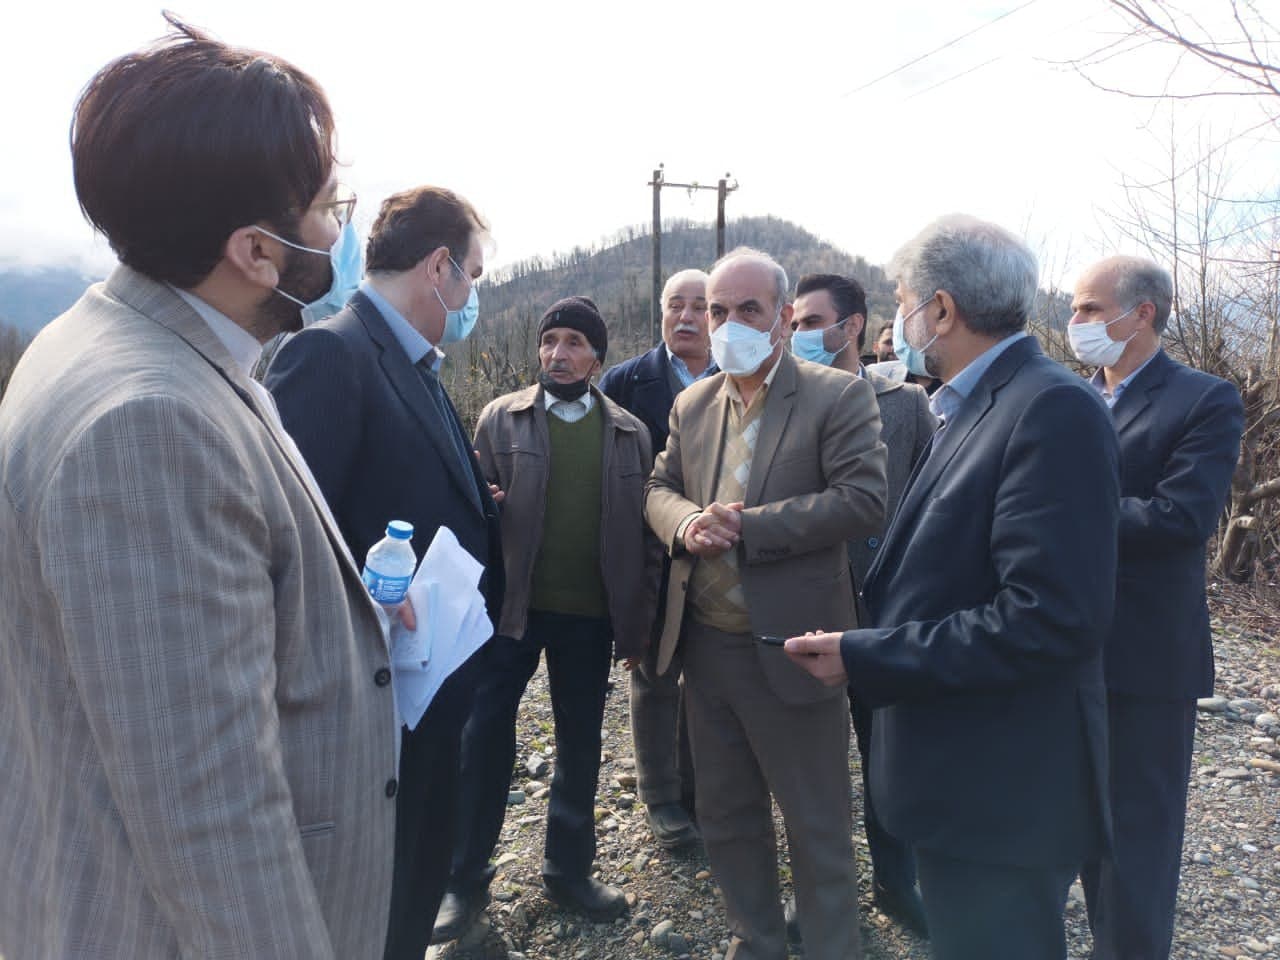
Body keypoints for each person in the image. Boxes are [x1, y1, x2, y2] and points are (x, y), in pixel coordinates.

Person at [0, 17, 398, 958]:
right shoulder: (149, 424)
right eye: (330, 207)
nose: (341, 232)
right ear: (255, 252)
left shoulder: (125, 336)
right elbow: (211, 816)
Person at [786, 215, 1121, 960]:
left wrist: (868, 656)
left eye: (904, 300)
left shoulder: (1050, 408)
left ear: (941, 309)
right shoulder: (972, 402)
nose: (901, 318)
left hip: (998, 792)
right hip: (962, 782)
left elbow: (1049, 617)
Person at [263, 186, 505, 960]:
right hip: (373, 702)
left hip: (426, 689)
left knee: (416, 877)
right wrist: (365, 598)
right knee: (377, 902)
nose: (469, 296)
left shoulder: (412, 361)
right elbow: (281, 539)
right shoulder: (331, 354)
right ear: (437, 268)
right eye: (470, 274)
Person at [646, 247, 887, 960]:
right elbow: (658, 488)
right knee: (725, 813)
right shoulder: (693, 403)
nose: (728, 325)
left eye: (747, 310)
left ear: (783, 318)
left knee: (816, 823)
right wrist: (686, 523)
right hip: (708, 645)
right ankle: (756, 940)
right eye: (718, 311)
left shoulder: (835, 397)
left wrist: (750, 525)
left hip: (796, 646)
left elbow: (863, 500)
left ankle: (832, 946)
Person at [435, 297, 661, 937]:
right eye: (550, 340)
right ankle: (463, 883)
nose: (557, 354)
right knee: (483, 741)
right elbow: (465, 511)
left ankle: (568, 872)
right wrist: (486, 503)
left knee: (580, 744)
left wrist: (636, 624)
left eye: (574, 343)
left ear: (597, 358)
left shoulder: (629, 432)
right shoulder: (500, 419)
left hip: (589, 617)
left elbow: (645, 538)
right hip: (510, 612)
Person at [1069, 256, 1244, 960]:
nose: (1076, 321)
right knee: (1072, 822)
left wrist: (1057, 513)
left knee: (1136, 840)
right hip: (1059, 641)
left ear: (1142, 313)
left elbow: (1182, 516)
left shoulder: (1203, 399)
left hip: (1144, 653)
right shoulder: (1070, 396)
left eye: (1089, 308)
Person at [789, 272, 935, 936]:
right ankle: (819, 892)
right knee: (811, 764)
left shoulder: (905, 404)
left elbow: (934, 499)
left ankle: (896, 881)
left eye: (810, 322)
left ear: (851, 327)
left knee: (887, 754)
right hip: (808, 604)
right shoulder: (783, 402)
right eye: (793, 323)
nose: (798, 334)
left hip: (885, 606)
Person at [598, 267, 715, 850]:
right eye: (676, 304)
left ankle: (699, 791)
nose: (686, 317)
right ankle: (661, 798)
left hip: (719, 549)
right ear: (661, 311)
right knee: (653, 672)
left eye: (700, 305)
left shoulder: (738, 376)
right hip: (648, 551)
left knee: (710, 677)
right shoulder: (625, 381)